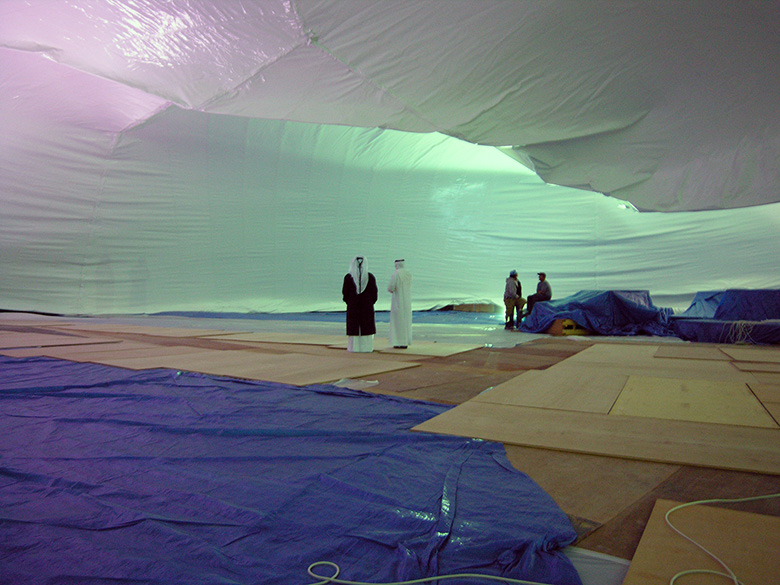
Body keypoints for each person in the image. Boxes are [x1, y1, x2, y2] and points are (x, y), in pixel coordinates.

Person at [342, 256, 378, 352]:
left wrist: (351, 302)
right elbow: (374, 294)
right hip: (367, 307)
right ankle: (366, 348)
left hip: (353, 306)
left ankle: (354, 348)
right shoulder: (370, 277)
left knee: (355, 328)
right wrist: (368, 302)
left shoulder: (348, 277)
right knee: (366, 327)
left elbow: (345, 294)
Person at [387, 258, 413, 348]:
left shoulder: (396, 274)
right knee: (406, 322)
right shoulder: (408, 273)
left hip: (397, 301)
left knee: (397, 322)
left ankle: (397, 342)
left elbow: (391, 287)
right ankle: (405, 342)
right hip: (407, 301)